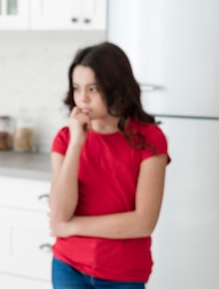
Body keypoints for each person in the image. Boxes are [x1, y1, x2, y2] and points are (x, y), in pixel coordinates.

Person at [48, 42, 170, 289]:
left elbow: (143, 222)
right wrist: (76, 143)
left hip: (124, 274)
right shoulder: (65, 138)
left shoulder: (150, 139)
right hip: (68, 267)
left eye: (93, 89)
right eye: (76, 88)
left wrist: (71, 227)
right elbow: (59, 214)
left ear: (117, 89)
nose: (82, 98)